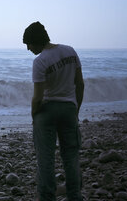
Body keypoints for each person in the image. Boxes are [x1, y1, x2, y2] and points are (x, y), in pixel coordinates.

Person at [23, 21, 84, 201]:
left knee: (46, 159)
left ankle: (47, 197)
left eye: (28, 44)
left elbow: (38, 97)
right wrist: (76, 109)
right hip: (68, 109)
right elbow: (79, 84)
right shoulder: (70, 51)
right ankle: (75, 196)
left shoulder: (40, 61)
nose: (28, 49)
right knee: (71, 156)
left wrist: (34, 114)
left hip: (47, 112)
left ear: (35, 41)